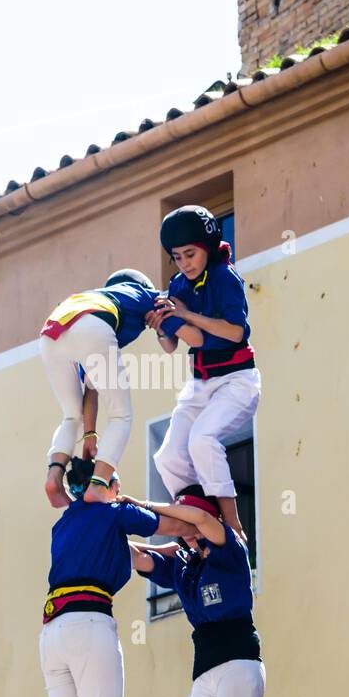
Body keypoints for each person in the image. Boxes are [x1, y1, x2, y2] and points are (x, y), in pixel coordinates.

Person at [40, 459, 204, 697]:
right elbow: (172, 525)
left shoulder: (67, 523)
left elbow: (139, 553)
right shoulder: (114, 512)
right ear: (106, 485)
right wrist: (205, 525)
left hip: (52, 631)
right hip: (90, 624)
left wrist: (178, 550)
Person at [127, 485, 264, 697]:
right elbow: (136, 558)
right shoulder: (184, 565)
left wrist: (141, 505)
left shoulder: (228, 546)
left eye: (180, 516)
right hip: (204, 670)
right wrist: (108, 518)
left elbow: (201, 518)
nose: (179, 526)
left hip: (238, 662)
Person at [41, 269, 202, 506]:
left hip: (52, 331)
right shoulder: (145, 294)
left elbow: (91, 388)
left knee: (71, 416)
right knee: (121, 416)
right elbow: (180, 343)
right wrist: (162, 327)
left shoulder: (97, 298)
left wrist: (90, 434)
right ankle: (98, 486)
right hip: (92, 326)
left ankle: (54, 477)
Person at [148, 206, 260, 535]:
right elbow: (172, 344)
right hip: (200, 385)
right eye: (177, 257)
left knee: (202, 439)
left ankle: (234, 525)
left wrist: (187, 314)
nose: (185, 264)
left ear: (207, 247)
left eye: (190, 254)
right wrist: (159, 326)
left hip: (238, 381)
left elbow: (235, 332)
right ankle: (199, 521)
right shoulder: (178, 286)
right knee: (166, 456)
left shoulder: (226, 277)